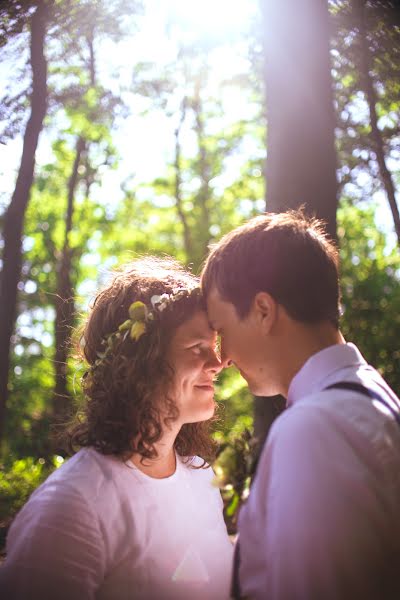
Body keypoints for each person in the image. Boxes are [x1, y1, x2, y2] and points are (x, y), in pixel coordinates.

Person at [0, 257, 233, 600]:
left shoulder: (202, 479)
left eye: (212, 348)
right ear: (142, 361)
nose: (217, 364)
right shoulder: (72, 506)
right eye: (197, 348)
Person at [201, 210, 400, 600]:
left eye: (221, 330)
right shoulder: (373, 400)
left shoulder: (314, 431)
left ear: (263, 311)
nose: (221, 357)